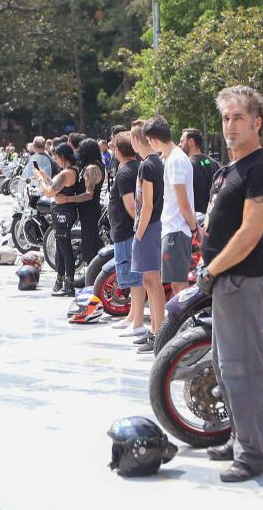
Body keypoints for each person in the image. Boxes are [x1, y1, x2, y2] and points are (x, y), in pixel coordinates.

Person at [194, 86, 263, 483]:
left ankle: (251, 454)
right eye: (226, 118)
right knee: (226, 368)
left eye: (238, 118)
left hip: (240, 279)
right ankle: (239, 438)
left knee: (243, 369)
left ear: (256, 123)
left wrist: (213, 271)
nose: (230, 125)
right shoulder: (228, 169)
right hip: (224, 280)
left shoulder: (260, 169)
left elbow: (249, 234)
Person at [145, 115, 196, 296]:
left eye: (149, 142)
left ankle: (182, 324)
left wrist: (193, 227)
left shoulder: (175, 160)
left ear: (155, 140)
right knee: (175, 285)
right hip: (173, 229)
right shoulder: (171, 158)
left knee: (178, 286)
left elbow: (183, 202)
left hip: (177, 230)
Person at [129, 121, 165, 353]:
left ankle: (158, 333)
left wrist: (139, 234)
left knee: (152, 282)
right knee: (149, 282)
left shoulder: (148, 166)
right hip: (151, 226)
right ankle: (155, 331)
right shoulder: (155, 162)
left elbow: (148, 204)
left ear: (135, 141)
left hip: (149, 227)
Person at [108, 131, 146, 336]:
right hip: (128, 230)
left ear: (119, 150)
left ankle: (138, 323)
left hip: (127, 230)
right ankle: (132, 316)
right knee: (134, 279)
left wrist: (137, 228)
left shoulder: (124, 172)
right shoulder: (136, 167)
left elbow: (132, 206)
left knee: (134, 279)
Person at [35, 143, 81, 296]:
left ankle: (69, 285)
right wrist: (47, 177)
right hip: (65, 212)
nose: (55, 160)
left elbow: (49, 193)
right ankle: (61, 281)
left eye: (56, 157)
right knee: (61, 248)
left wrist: (40, 179)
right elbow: (56, 187)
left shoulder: (66, 173)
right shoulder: (73, 170)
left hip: (63, 213)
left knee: (65, 249)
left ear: (62, 157)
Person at [56, 138, 105, 269]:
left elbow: (89, 194)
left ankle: (93, 280)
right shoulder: (95, 165)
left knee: (90, 247)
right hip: (89, 210)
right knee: (94, 242)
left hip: (89, 210)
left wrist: (67, 199)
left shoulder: (91, 168)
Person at [181, 127, 218, 214]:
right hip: (211, 216)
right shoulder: (214, 163)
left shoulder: (186, 165)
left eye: (182, 141)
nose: (179, 144)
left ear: (191, 142)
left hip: (195, 219)